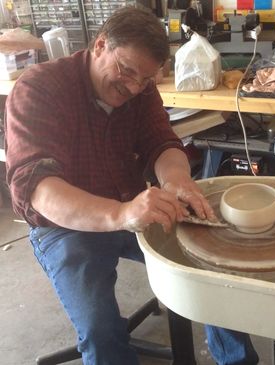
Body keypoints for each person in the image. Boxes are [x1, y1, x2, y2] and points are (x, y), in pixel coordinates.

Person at [5, 6, 259, 365]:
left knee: (216, 268)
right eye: (125, 71)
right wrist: (120, 213)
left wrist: (176, 181)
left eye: (145, 79)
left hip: (133, 207)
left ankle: (237, 361)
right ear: (100, 45)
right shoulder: (39, 88)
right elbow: (39, 188)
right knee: (100, 329)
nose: (133, 87)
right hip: (65, 226)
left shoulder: (140, 89)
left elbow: (163, 142)